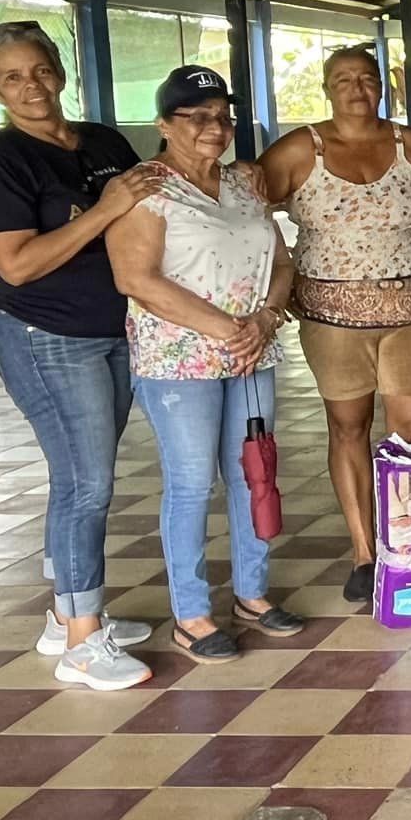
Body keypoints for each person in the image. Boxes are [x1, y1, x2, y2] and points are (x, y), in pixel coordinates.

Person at [0, 21, 161, 690]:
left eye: (42, 69)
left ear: (61, 71)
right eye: (14, 76)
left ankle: (65, 614)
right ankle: (83, 639)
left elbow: (149, 210)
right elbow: (17, 265)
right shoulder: (0, 164)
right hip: (42, 335)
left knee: (80, 475)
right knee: (87, 482)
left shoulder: (103, 141)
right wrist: (104, 210)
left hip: (115, 329)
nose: (33, 86)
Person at [106, 67, 305, 663]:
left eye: (222, 116)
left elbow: (283, 263)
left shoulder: (245, 187)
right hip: (177, 361)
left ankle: (252, 593)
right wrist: (226, 329)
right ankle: (191, 613)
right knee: (192, 483)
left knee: (253, 473)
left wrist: (265, 319)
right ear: (164, 125)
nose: (213, 127)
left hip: (251, 353)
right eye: (196, 117)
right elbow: (134, 278)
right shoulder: (144, 190)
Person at [261, 45, 411, 604]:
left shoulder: (406, 142)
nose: (357, 88)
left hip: (410, 311)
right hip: (332, 317)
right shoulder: (302, 147)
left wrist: (396, 253)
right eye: (343, 79)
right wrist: (280, 269)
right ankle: (365, 552)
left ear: (380, 87)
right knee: (349, 427)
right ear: (326, 88)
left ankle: (410, 543)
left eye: (367, 78)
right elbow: (247, 205)